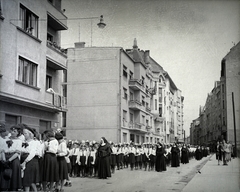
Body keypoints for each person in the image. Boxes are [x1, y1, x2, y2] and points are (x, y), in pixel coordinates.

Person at [6, 125, 23, 191]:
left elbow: (17, 152)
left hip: (14, 160)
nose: (12, 132)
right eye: (12, 131)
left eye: (14, 131)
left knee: (13, 179)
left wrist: (9, 160)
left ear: (18, 133)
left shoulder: (19, 141)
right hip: (6, 158)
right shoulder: (7, 139)